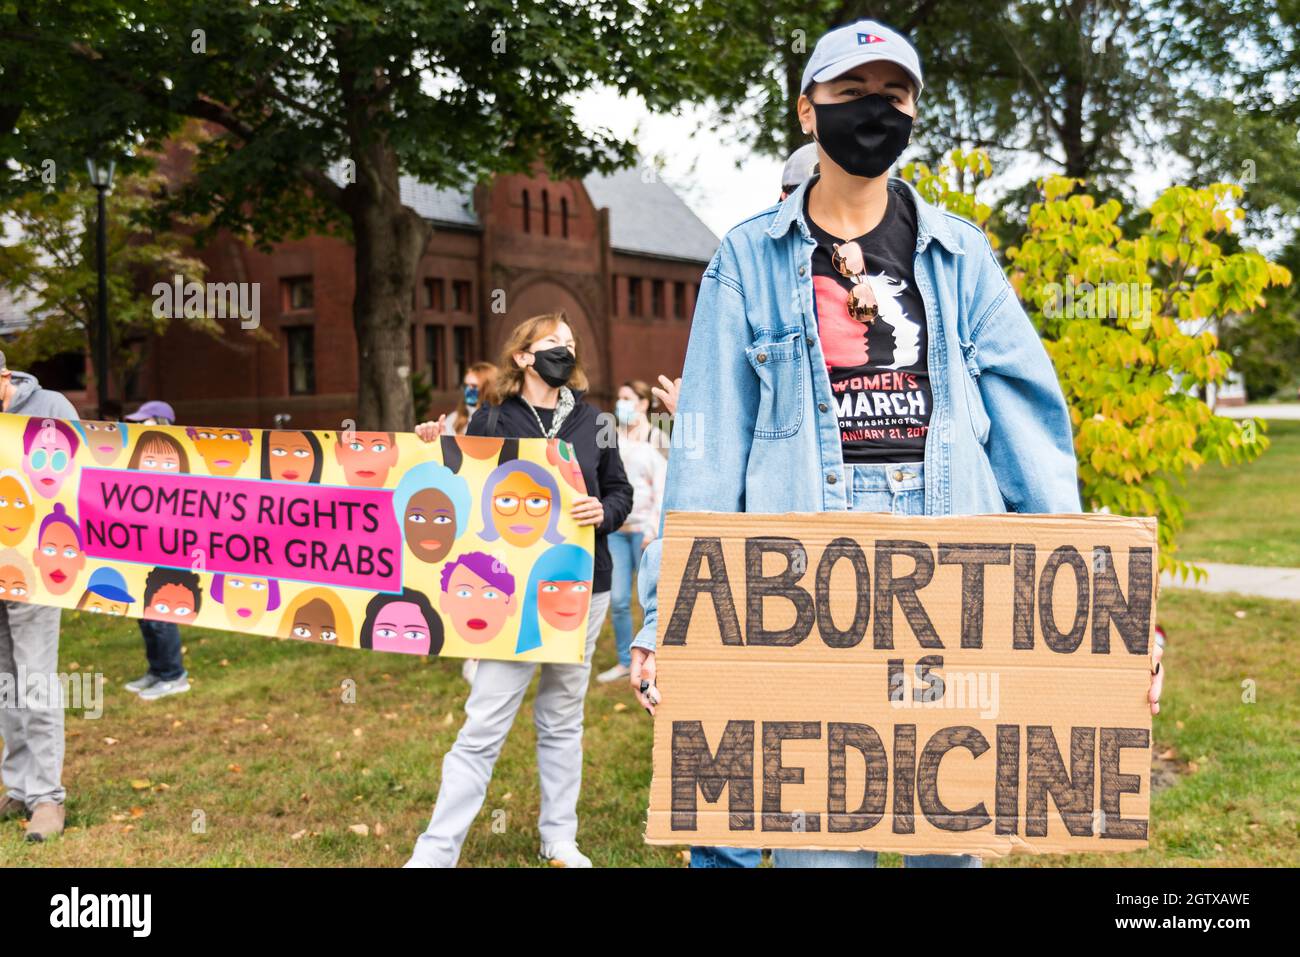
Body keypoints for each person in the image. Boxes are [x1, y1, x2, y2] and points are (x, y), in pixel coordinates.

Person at [628, 19, 1166, 869]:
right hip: (803, 582)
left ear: (914, 112)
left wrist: (1106, 617)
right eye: (851, 95)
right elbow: (708, 453)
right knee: (819, 843)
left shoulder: (963, 257)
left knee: (952, 837)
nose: (874, 112)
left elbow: (1033, 441)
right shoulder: (746, 261)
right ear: (808, 112)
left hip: (954, 573)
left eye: (895, 96)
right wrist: (670, 619)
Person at [406, 311, 632, 868]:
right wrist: (431, 447)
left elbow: (621, 493)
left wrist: (602, 510)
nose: (567, 350)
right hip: (508, 592)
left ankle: (559, 836)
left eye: (571, 343)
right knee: (485, 720)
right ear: (523, 356)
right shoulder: (491, 419)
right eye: (554, 343)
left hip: (583, 589)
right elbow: (456, 489)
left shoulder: (595, 420)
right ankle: (435, 852)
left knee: (561, 716)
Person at [0, 349, 77, 842]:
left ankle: (47, 798)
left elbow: (84, 479)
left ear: (3, 376)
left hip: (35, 569)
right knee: (5, 684)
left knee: (34, 681)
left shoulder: (51, 408)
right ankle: (19, 787)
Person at [120, 401, 192, 700]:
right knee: (143, 611)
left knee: (161, 612)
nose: (138, 429)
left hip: (168, 548)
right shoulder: (139, 461)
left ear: (162, 424)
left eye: (144, 422)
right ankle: (157, 670)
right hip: (143, 546)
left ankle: (175, 675)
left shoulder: (179, 463)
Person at [596, 381, 667, 684]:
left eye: (627, 399)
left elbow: (664, 488)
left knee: (654, 600)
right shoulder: (610, 438)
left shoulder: (657, 438)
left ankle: (658, 658)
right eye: (619, 398)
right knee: (620, 599)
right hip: (617, 531)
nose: (620, 404)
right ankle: (626, 661)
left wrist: (653, 530)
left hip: (645, 534)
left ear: (642, 404)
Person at [441, 362, 498, 436]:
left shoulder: (499, 419)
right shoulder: (453, 419)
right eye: (466, 385)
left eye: (474, 386)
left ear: (489, 388)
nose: (468, 390)